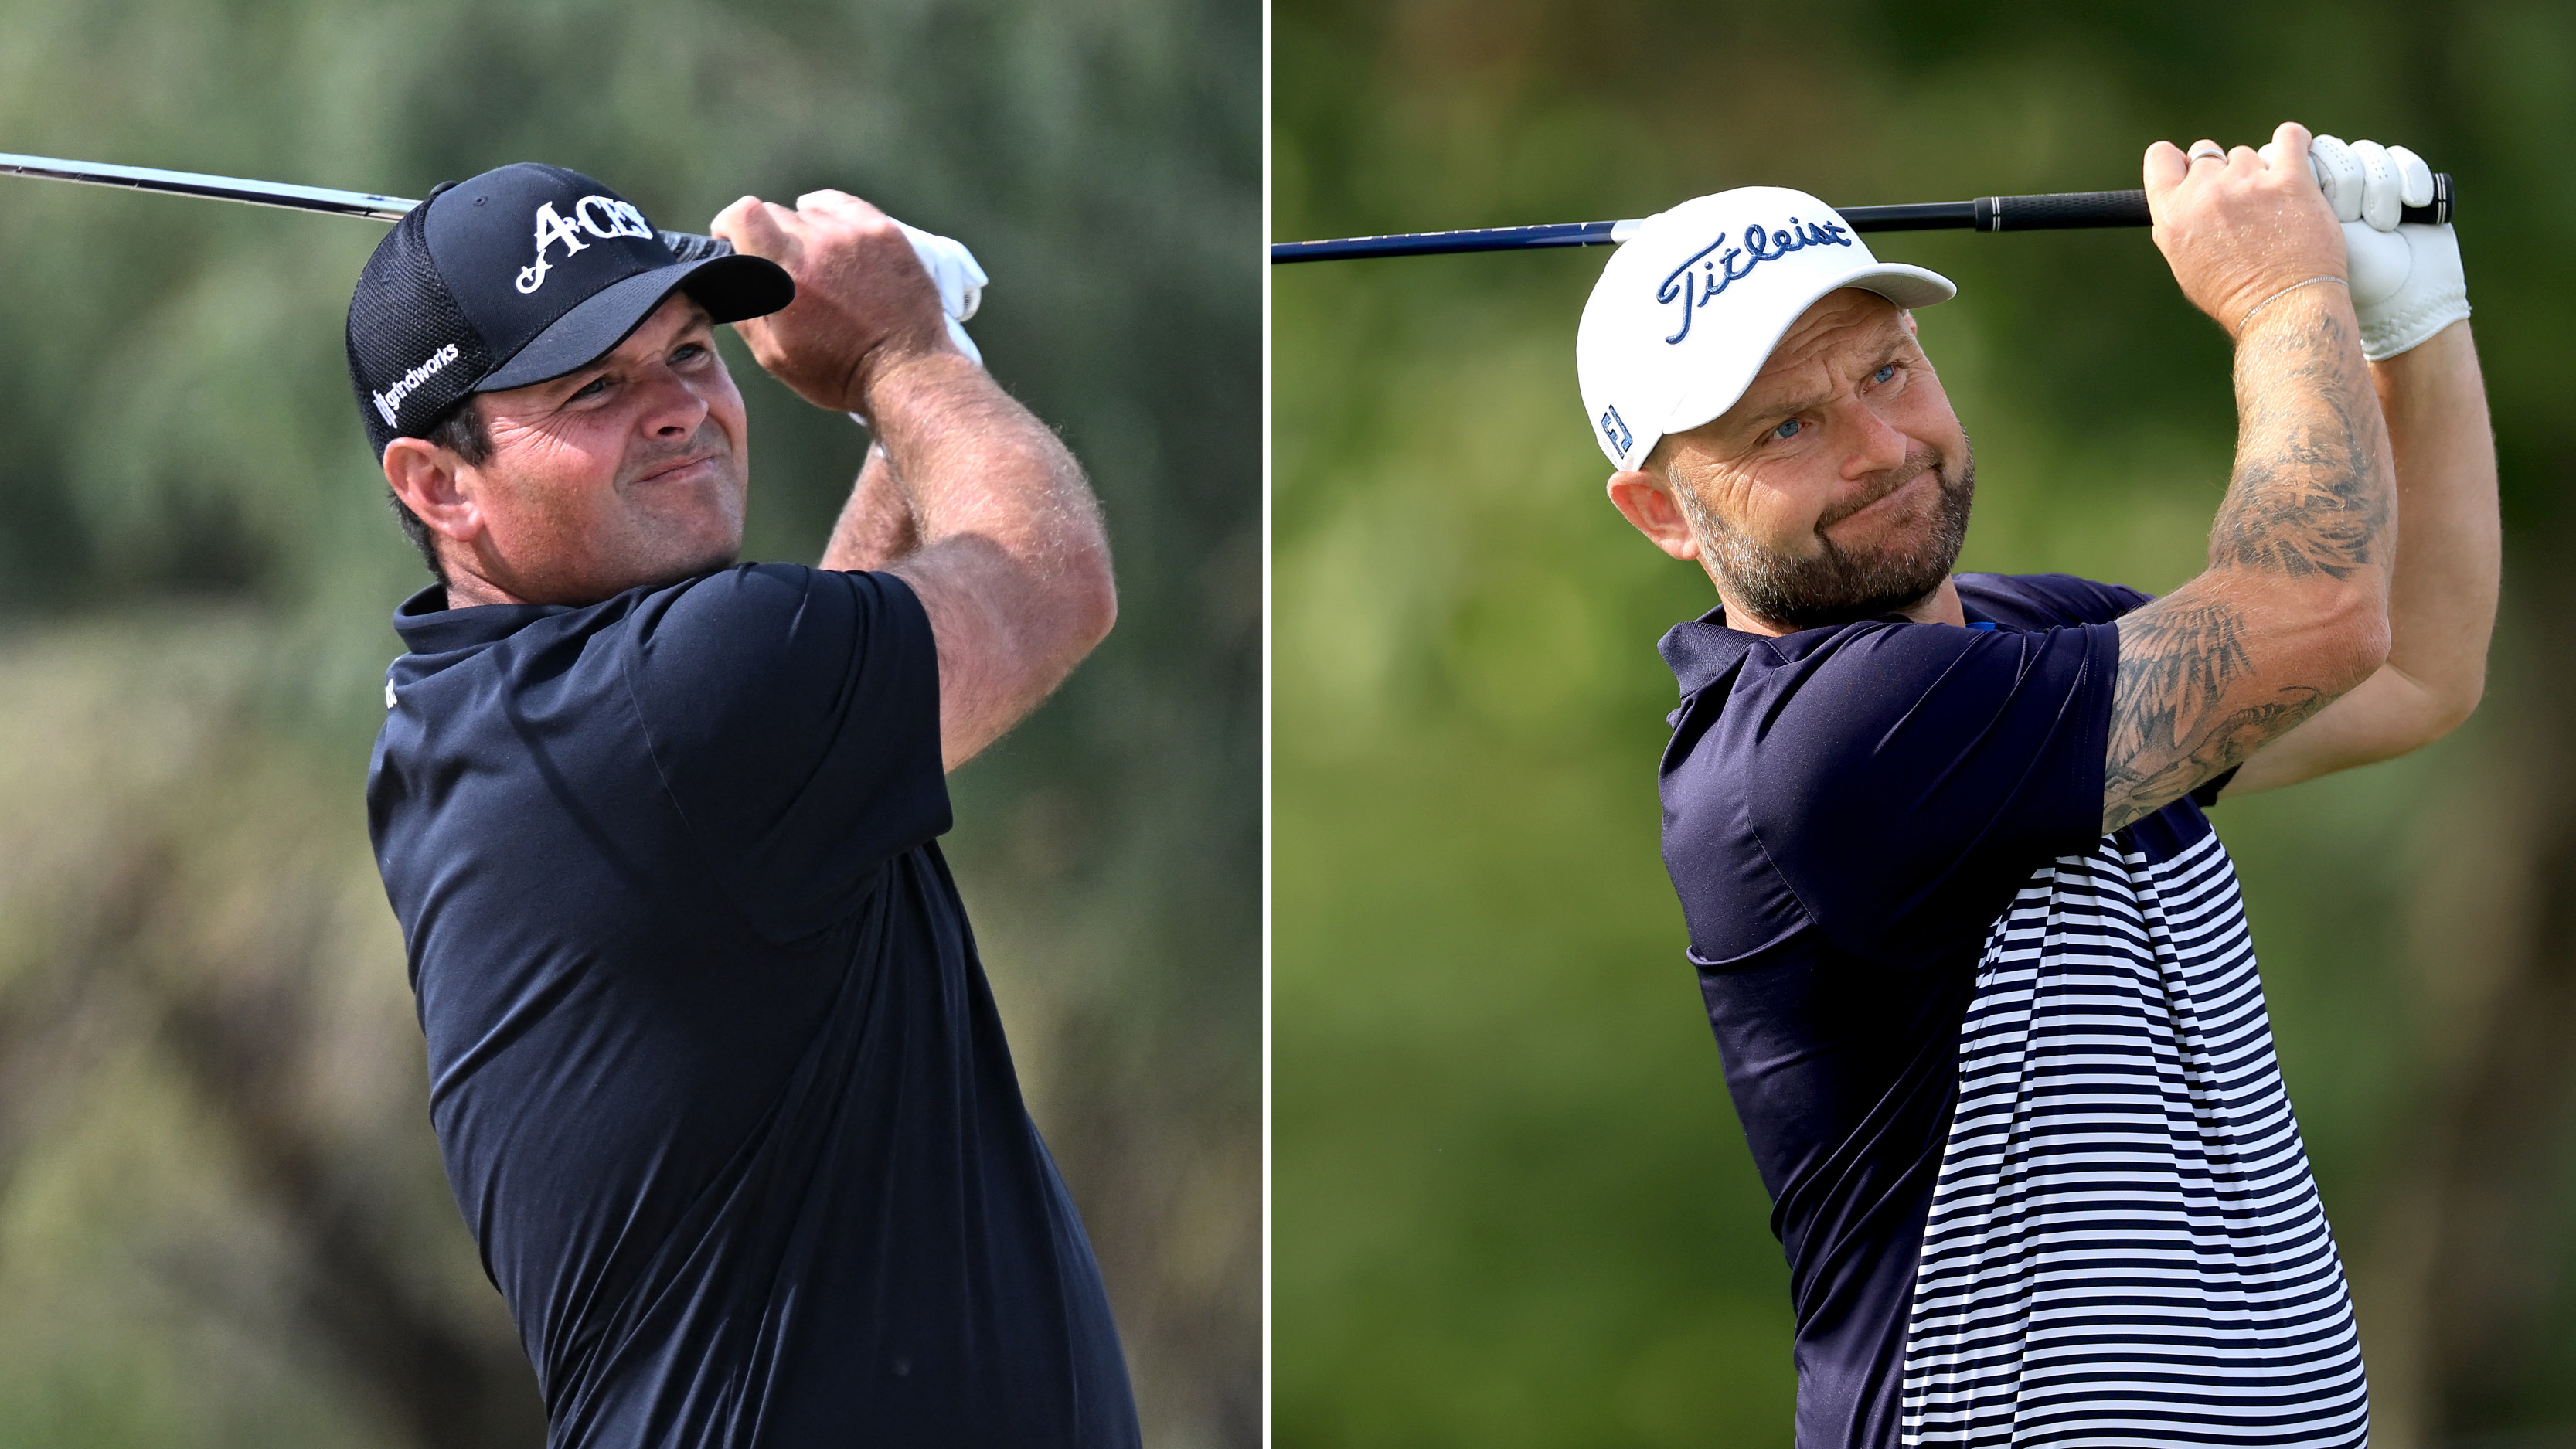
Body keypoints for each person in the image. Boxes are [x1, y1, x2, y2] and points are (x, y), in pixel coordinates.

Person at [1578, 123, 2493, 1445]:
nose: (1878, 446)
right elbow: (2318, 616)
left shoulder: (2016, 640)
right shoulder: (1825, 746)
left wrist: (2414, 313)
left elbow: (2409, 666)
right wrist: (2285, 296)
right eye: (1785, 425)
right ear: (1662, 515)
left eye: (1887, 371)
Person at [349, 162, 1136, 1447]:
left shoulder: (487, 715)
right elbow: (1047, 587)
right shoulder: (682, 697)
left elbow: (812, 712)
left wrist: (915, 393)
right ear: (439, 484)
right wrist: (900, 349)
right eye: (594, 385)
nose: (678, 410)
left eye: (690, 350)